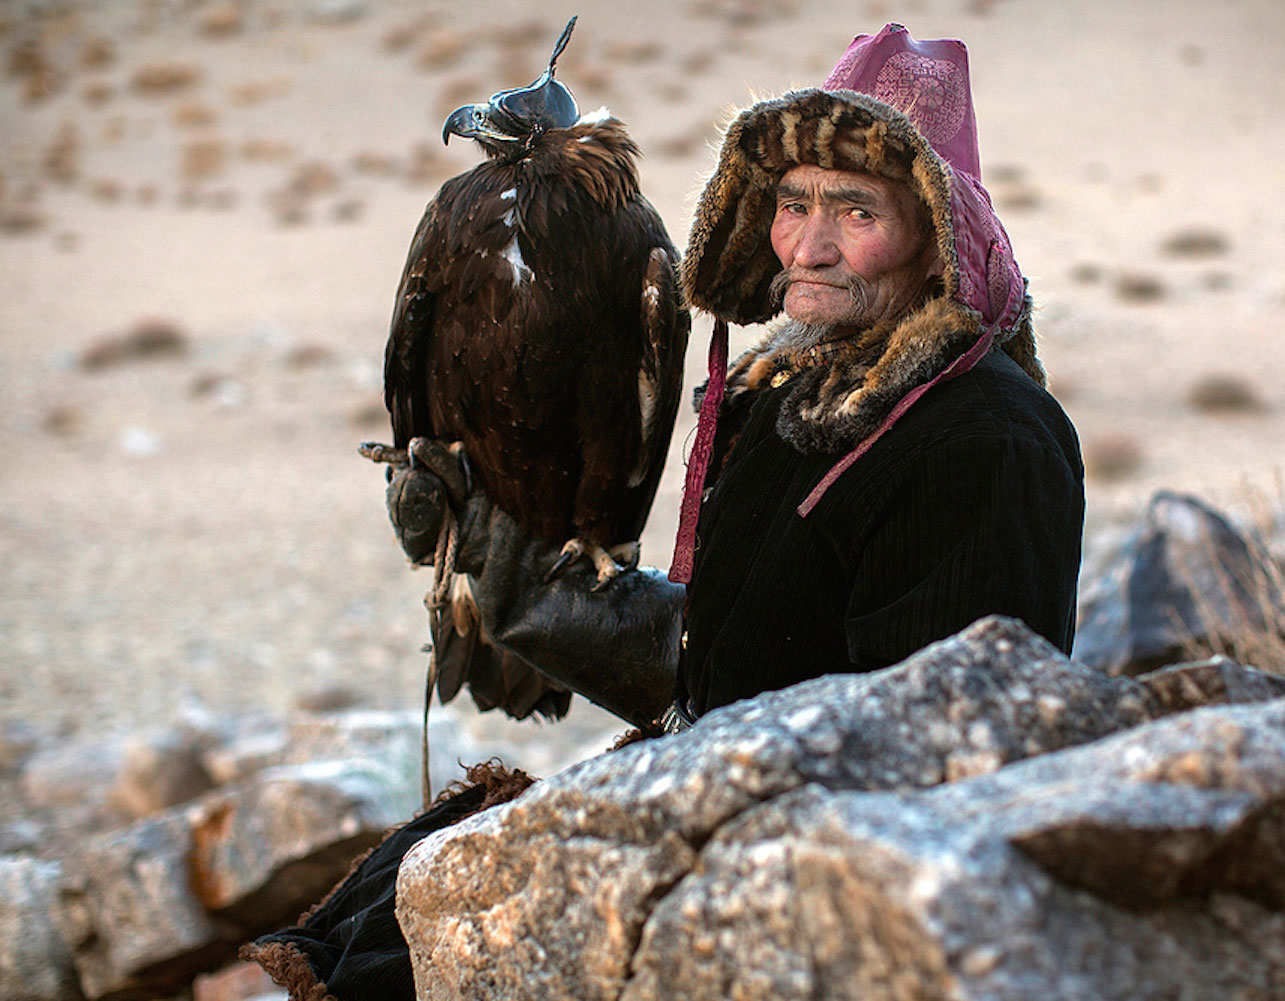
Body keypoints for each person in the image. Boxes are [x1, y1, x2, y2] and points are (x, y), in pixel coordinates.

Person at [244, 24, 1083, 999]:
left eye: (856, 210)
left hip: (824, 872)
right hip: (717, 795)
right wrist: (521, 588)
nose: (808, 244)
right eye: (793, 203)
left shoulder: (988, 440)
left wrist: (656, 815)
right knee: (380, 900)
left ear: (935, 231)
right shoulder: (789, 395)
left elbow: (943, 761)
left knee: (406, 950)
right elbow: (736, 663)